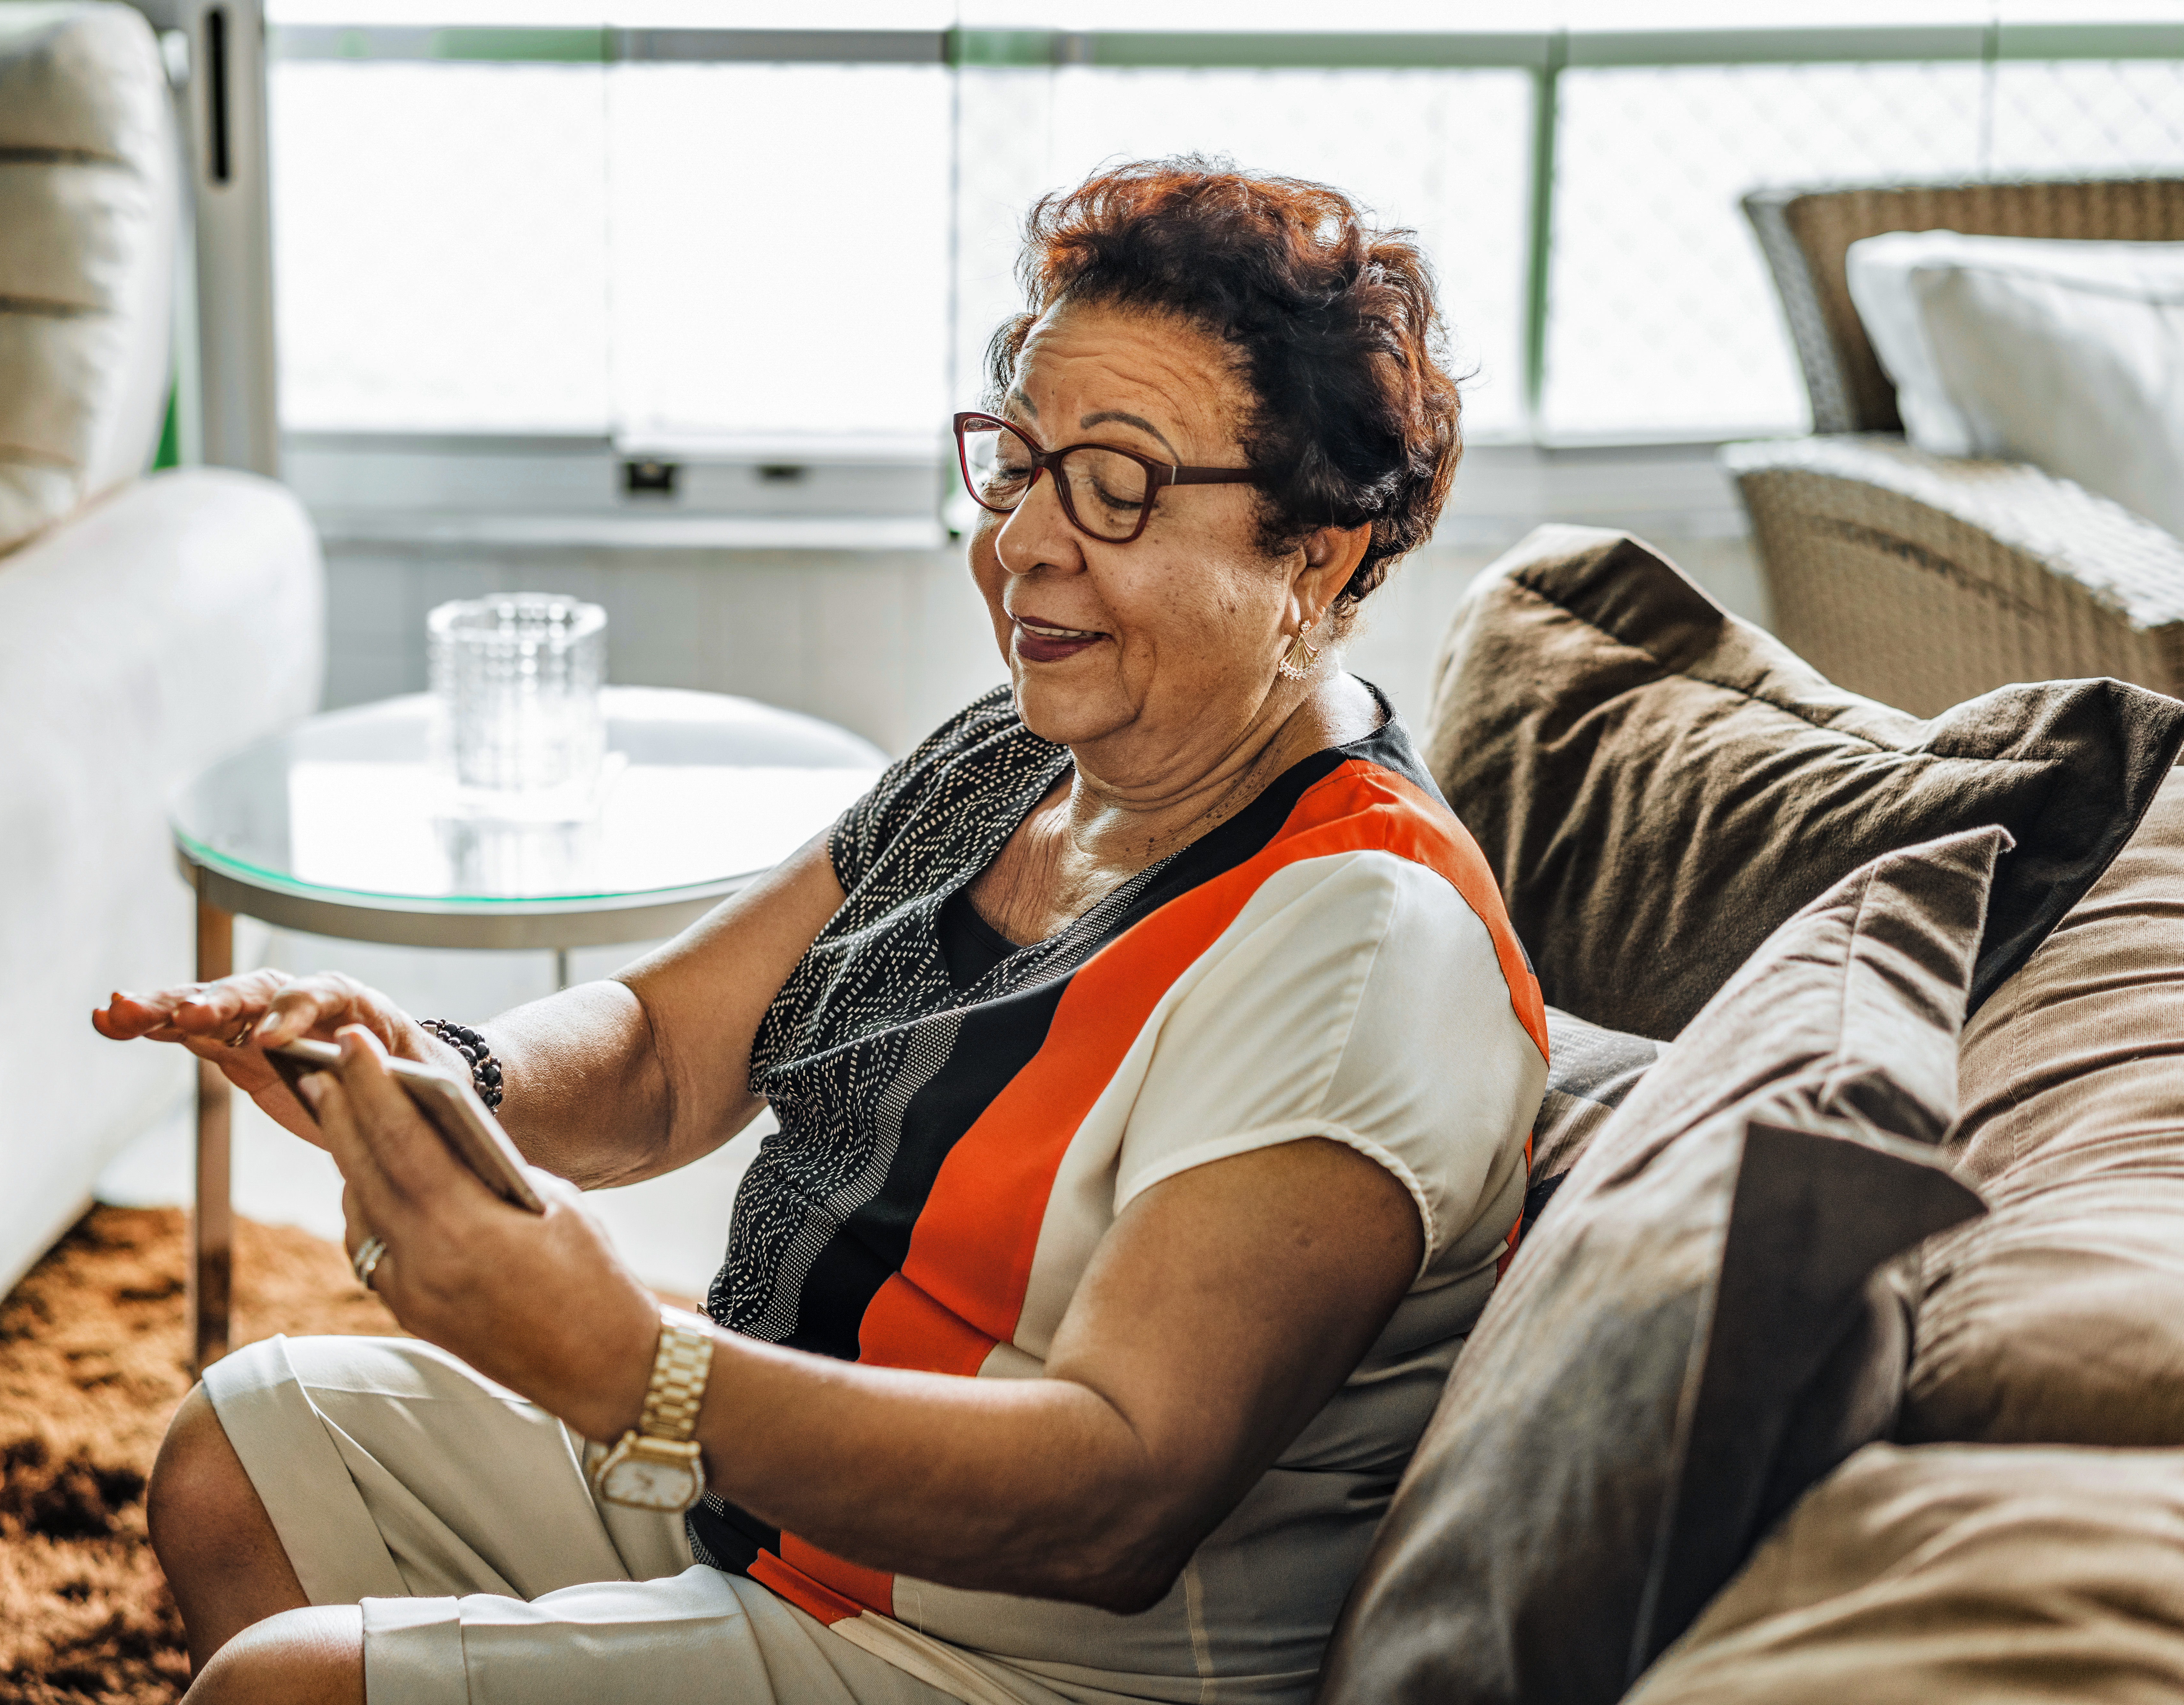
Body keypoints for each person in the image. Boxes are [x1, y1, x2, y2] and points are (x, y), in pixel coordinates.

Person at [95, 157, 1546, 1705]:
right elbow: (664, 1053)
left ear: (1309, 558)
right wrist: (440, 1073)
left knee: (288, 1688)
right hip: (771, 1506)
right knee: (238, 1451)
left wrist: (628, 1370)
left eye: (1114, 485)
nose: (1024, 547)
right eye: (1020, 463)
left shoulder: (1356, 946)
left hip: (1008, 1654)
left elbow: (1120, 1500)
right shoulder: (1017, 754)